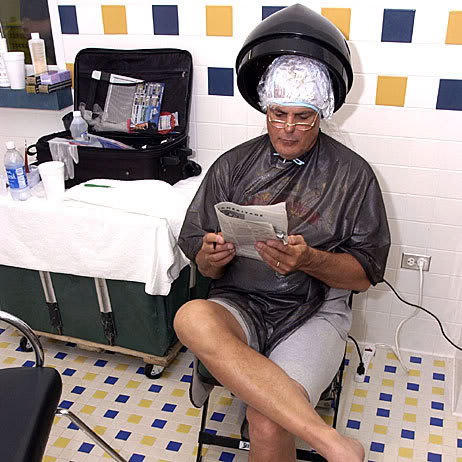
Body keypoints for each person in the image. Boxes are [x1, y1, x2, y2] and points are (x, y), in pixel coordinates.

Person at [174, 55, 390, 462]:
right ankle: (331, 441)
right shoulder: (233, 165)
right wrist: (212, 256)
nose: (288, 127)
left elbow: (364, 275)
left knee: (268, 420)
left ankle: (322, 439)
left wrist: (308, 260)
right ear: (266, 110)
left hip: (313, 311)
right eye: (278, 114)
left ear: (321, 114)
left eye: (302, 117)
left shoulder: (352, 176)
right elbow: (202, 263)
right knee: (189, 317)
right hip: (240, 302)